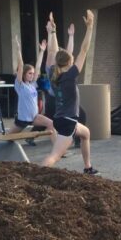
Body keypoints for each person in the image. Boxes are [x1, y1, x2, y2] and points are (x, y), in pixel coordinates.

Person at [41, 11, 99, 174]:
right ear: (69, 62)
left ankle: (88, 168)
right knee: (54, 156)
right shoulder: (69, 76)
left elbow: (52, 52)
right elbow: (84, 50)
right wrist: (90, 27)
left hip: (62, 118)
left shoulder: (53, 72)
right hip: (67, 122)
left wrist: (52, 31)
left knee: (86, 134)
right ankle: (34, 177)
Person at [8, 36, 55, 147]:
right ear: (24, 74)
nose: (32, 75)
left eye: (33, 74)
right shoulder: (20, 85)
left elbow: (38, 66)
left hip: (34, 117)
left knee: (51, 124)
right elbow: (20, 65)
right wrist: (18, 49)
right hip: (22, 120)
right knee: (7, 139)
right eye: (30, 73)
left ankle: (58, 149)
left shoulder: (33, 84)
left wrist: (42, 51)